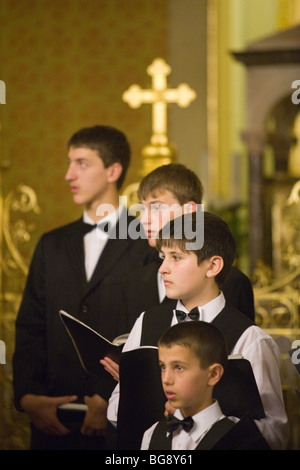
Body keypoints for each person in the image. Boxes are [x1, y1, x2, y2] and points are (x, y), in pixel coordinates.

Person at [12, 124, 152, 450]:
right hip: (51, 422)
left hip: (119, 421)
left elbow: (146, 330)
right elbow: (30, 326)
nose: (68, 175)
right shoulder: (52, 244)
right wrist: (28, 397)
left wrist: (108, 396)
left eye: (82, 163)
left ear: (112, 170)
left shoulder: (146, 242)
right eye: (68, 162)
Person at [107, 211, 289, 450]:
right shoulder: (146, 321)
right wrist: (135, 390)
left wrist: (203, 415)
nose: (163, 268)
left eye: (176, 257)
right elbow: (114, 409)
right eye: (162, 257)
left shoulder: (251, 339)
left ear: (212, 265)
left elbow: (275, 432)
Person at [125, 163, 255, 325]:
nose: (144, 220)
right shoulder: (134, 278)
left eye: (156, 207)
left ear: (189, 210)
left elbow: (238, 339)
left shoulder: (233, 282)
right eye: (143, 209)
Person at [141, 321, 270, 450]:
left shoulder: (242, 439)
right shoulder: (152, 434)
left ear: (213, 374)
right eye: (163, 366)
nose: (166, 379)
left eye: (179, 367)